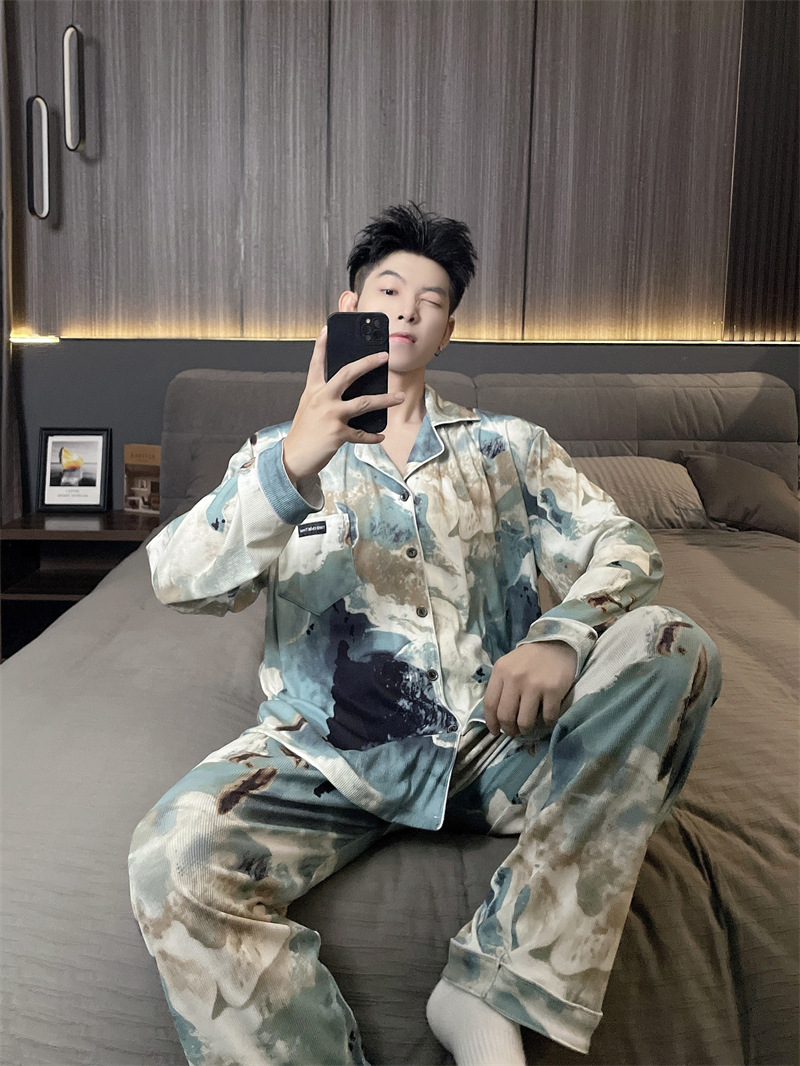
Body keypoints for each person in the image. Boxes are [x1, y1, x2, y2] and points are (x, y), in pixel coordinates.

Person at [129, 203, 721, 1066]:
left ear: (447, 331)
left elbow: (624, 545)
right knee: (171, 857)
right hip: (325, 757)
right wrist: (293, 463)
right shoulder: (275, 454)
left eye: (431, 299)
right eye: (388, 291)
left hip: (499, 742)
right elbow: (177, 581)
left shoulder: (510, 448)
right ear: (349, 308)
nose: (406, 309)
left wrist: (561, 636)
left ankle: (492, 987)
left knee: (673, 643)